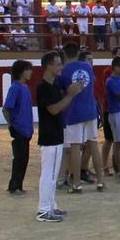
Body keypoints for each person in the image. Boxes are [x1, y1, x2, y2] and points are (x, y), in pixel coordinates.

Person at [37, 50, 84, 222]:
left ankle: (51, 206)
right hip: (50, 135)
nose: (61, 67)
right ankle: (44, 210)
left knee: (51, 174)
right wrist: (71, 95)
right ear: (49, 66)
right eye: (57, 64)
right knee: (49, 174)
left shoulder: (53, 85)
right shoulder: (44, 87)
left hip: (54, 133)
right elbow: (54, 109)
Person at [58, 41, 104, 192]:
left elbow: (63, 91)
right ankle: (100, 181)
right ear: (78, 53)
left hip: (73, 111)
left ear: (64, 54)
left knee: (75, 147)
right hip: (90, 109)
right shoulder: (87, 67)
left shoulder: (64, 71)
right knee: (93, 145)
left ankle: (77, 183)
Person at [1, 59, 33, 195]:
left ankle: (18, 185)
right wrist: (11, 125)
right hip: (19, 128)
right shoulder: (16, 87)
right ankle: (14, 185)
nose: (30, 72)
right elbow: (6, 109)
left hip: (25, 129)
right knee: (20, 158)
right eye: (28, 69)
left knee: (23, 158)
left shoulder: (24, 87)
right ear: (22, 71)